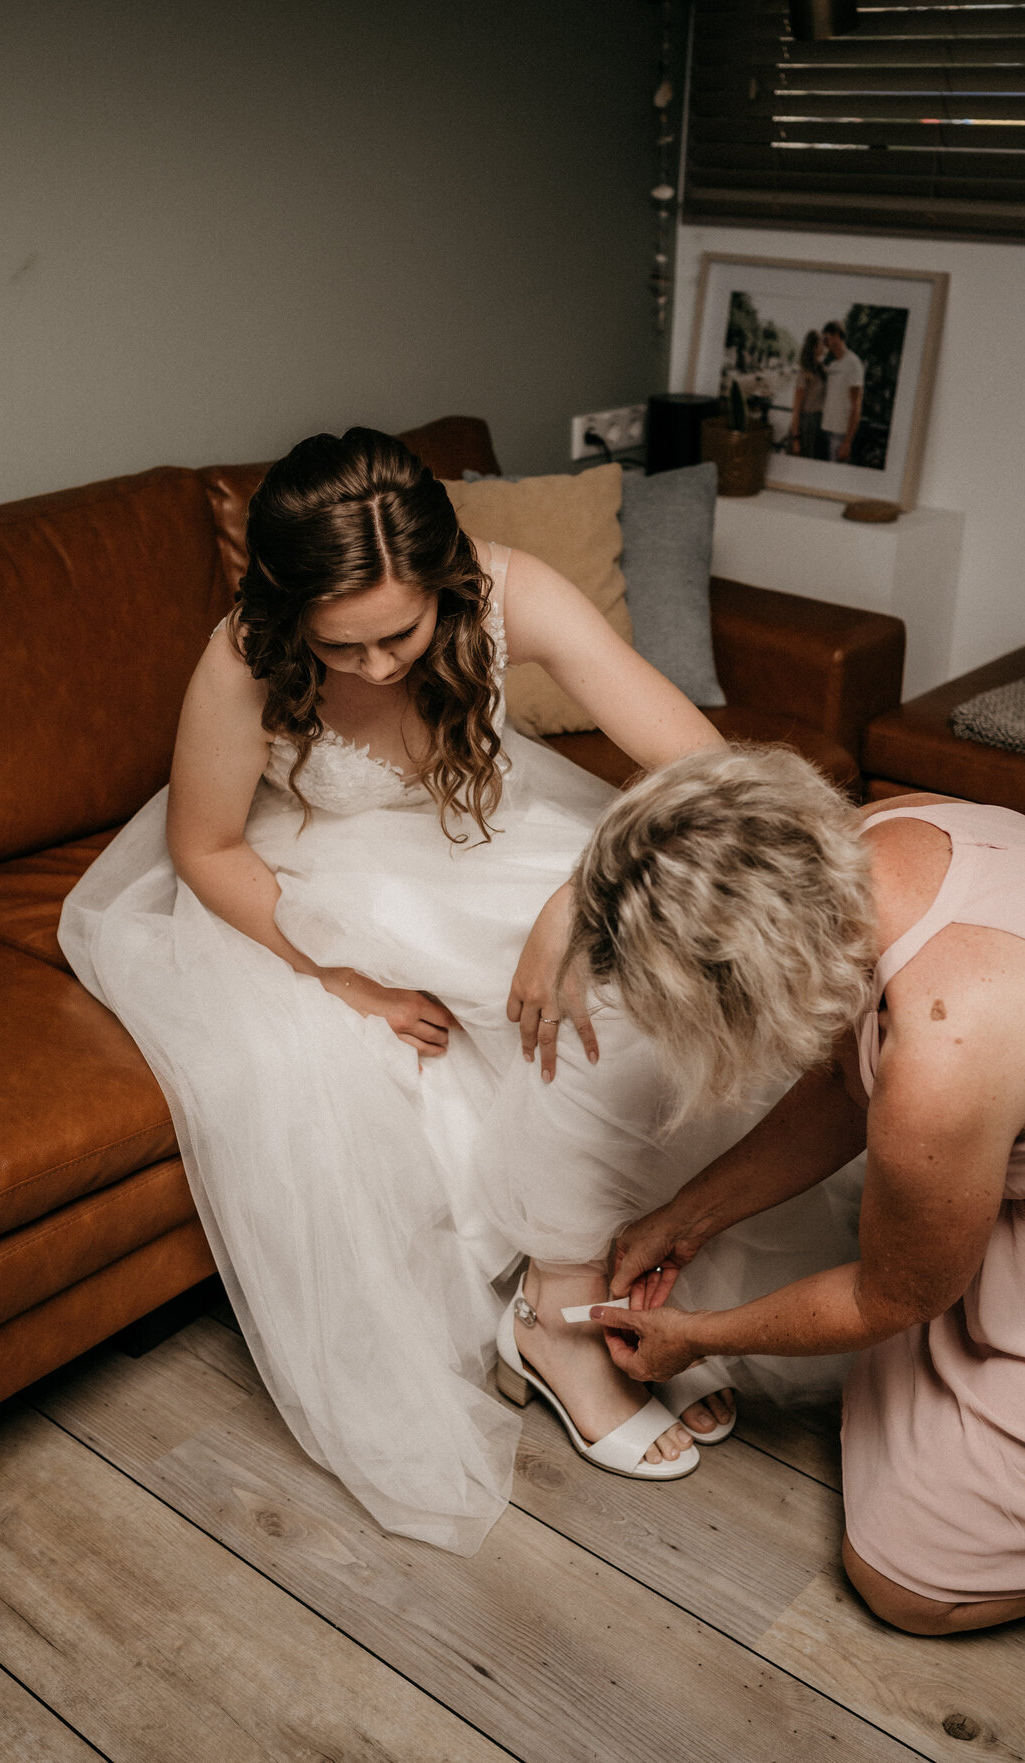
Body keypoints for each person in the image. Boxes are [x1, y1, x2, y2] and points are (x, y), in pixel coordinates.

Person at [59, 430, 857, 1555]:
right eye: (345, 646)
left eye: (404, 632)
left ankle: (616, 1281)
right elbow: (207, 847)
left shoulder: (507, 590)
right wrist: (340, 976)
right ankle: (556, 1322)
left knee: (658, 972)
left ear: (446, 583)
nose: (380, 668)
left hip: (495, 833)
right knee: (576, 1025)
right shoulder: (244, 653)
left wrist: (580, 897)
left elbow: (698, 760)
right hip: (318, 875)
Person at [566, 746, 1025, 1632]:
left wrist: (693, 1338)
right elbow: (850, 1081)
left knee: (909, 1584)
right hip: (1004, 1145)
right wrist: (686, 1213)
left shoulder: (943, 1054)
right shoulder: (869, 842)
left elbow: (891, 1293)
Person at [819, 320, 863, 464]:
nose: (825, 343)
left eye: (827, 339)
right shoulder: (833, 365)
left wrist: (847, 442)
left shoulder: (853, 363)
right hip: (826, 430)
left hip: (840, 435)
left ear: (837, 335)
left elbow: (856, 404)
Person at [788, 330, 826, 459]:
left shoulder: (821, 369)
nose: (824, 346)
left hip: (817, 424)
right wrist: (795, 438)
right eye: (821, 343)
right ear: (814, 347)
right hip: (806, 426)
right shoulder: (804, 372)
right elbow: (797, 408)